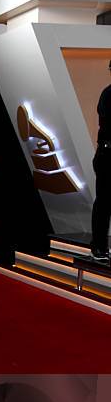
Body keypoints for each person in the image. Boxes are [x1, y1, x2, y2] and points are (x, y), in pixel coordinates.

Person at [90, 60, 111, 261]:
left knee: (105, 202)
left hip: (106, 154)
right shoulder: (108, 95)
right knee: (104, 202)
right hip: (107, 156)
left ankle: (101, 246)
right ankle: (98, 247)